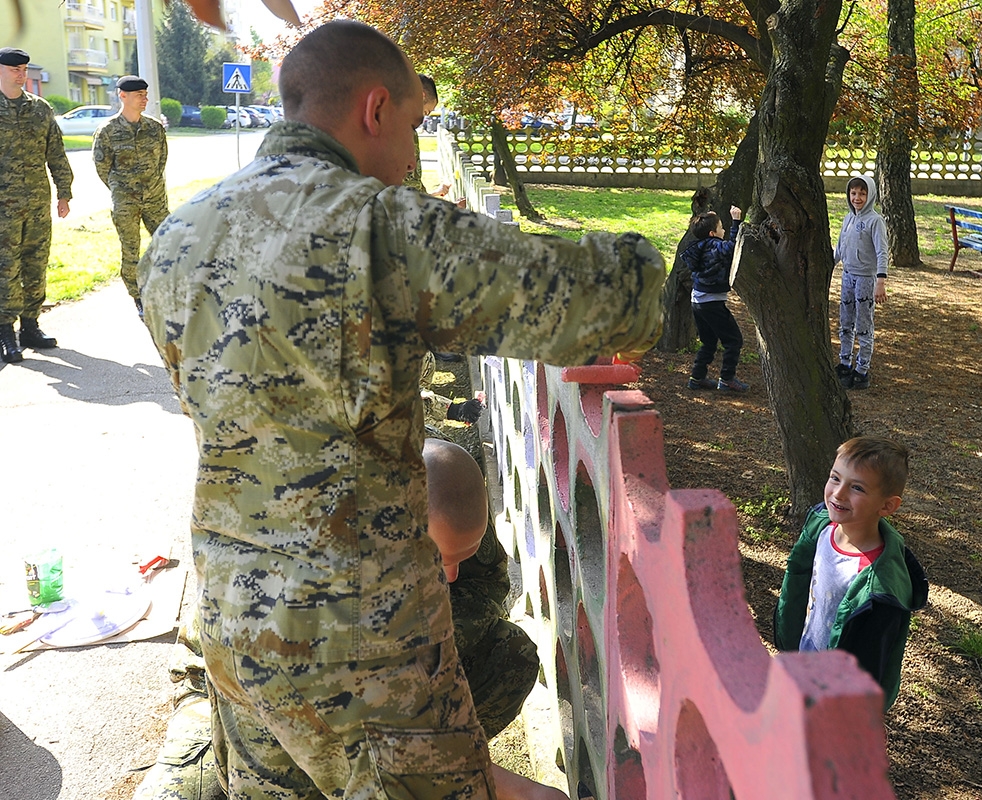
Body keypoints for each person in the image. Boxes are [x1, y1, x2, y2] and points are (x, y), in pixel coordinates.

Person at [137, 20, 663, 800]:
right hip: (360, 643)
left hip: (230, 616)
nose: (415, 154)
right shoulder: (374, 226)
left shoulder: (178, 237)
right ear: (375, 109)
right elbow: (601, 297)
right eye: (415, 126)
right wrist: (657, 262)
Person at [134, 439, 561, 800]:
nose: (450, 577)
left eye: (459, 560)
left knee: (507, 657)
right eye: (436, 563)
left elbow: (483, 587)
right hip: (245, 698)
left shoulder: (435, 487)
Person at [773, 436, 928, 711]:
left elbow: (871, 663)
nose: (838, 494)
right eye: (835, 478)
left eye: (857, 487)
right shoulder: (822, 528)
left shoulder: (879, 585)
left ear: (887, 506)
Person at [0, 47, 72, 363]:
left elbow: (55, 152)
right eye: (15, 68)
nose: (21, 73)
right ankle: (6, 333)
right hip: (3, 207)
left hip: (37, 203)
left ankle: (30, 326)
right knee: (5, 268)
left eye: (24, 68)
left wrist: (64, 192)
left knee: (35, 263)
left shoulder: (40, 109)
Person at [92, 75, 169, 317]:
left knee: (168, 243)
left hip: (155, 198)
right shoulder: (107, 131)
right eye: (139, 95)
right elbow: (102, 167)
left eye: (145, 95)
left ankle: (165, 288)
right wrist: (122, 189)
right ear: (122, 96)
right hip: (126, 202)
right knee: (131, 249)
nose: (145, 99)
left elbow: (162, 160)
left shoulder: (154, 128)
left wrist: (150, 185)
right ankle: (138, 296)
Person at [680, 206, 749, 392]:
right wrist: (736, 221)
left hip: (698, 301)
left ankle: (697, 377)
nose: (724, 230)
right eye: (721, 227)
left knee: (709, 341)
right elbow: (733, 247)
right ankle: (727, 379)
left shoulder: (701, 246)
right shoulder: (714, 246)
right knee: (734, 340)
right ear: (712, 233)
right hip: (711, 303)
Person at [833, 174, 889, 390]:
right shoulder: (848, 218)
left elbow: (882, 252)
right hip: (848, 276)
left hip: (866, 278)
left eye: (862, 194)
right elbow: (840, 247)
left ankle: (862, 369)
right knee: (845, 322)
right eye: (854, 193)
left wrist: (880, 281)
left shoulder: (875, 221)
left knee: (863, 325)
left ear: (870, 195)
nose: (857, 198)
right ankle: (845, 362)